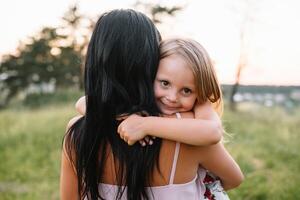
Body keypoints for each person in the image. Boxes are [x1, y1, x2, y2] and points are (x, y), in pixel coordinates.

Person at [61, 9, 243, 200]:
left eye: (186, 90)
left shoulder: (77, 133)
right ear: (151, 64)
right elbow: (233, 178)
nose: (172, 97)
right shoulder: (187, 131)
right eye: (165, 83)